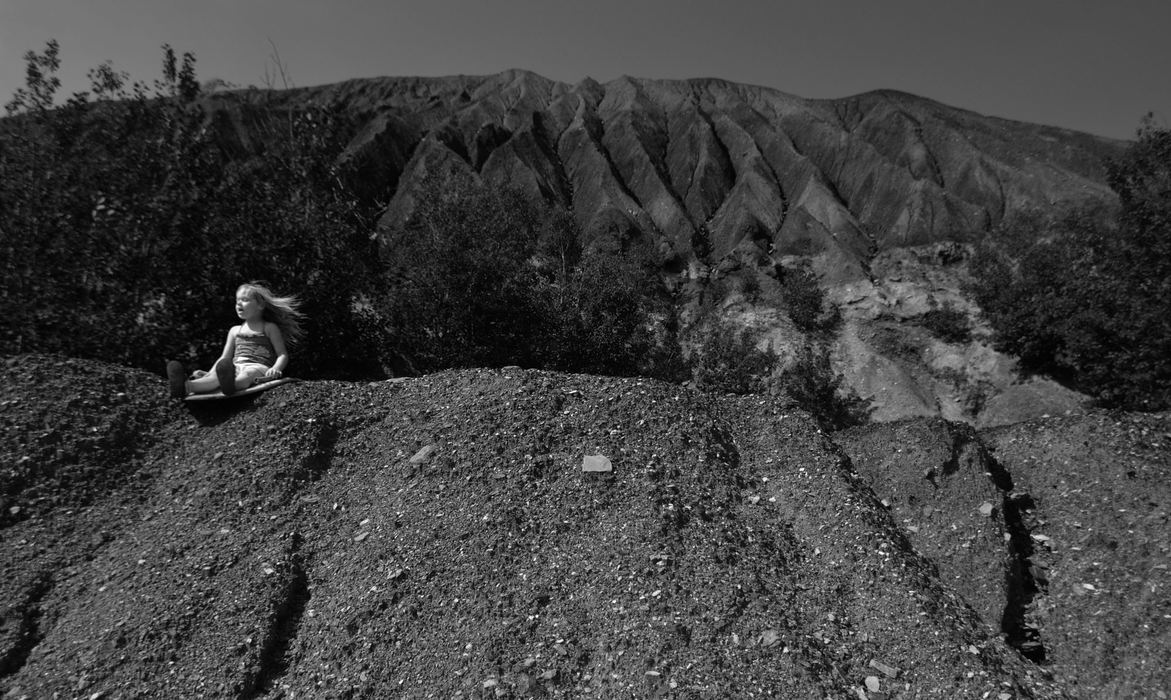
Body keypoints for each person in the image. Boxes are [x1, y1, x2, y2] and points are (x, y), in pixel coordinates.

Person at [167, 282, 304, 398]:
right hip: (233, 367)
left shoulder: (269, 327)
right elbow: (224, 357)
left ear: (260, 305)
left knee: (247, 374)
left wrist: (275, 369)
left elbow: (282, 354)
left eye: (244, 300)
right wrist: (209, 373)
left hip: (258, 367)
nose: (239, 303)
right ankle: (185, 386)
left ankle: (230, 384)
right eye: (237, 300)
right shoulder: (234, 330)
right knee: (214, 378)